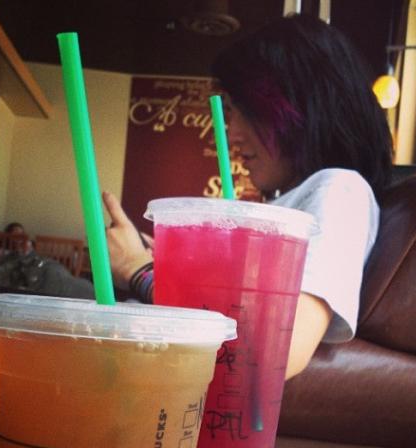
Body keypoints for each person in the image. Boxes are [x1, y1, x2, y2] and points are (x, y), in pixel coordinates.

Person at [103, 13, 392, 380]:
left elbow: (276, 349)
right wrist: (169, 265)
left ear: (303, 109)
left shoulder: (340, 189)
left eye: (246, 112)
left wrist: (139, 271)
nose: (232, 133)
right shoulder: (297, 201)